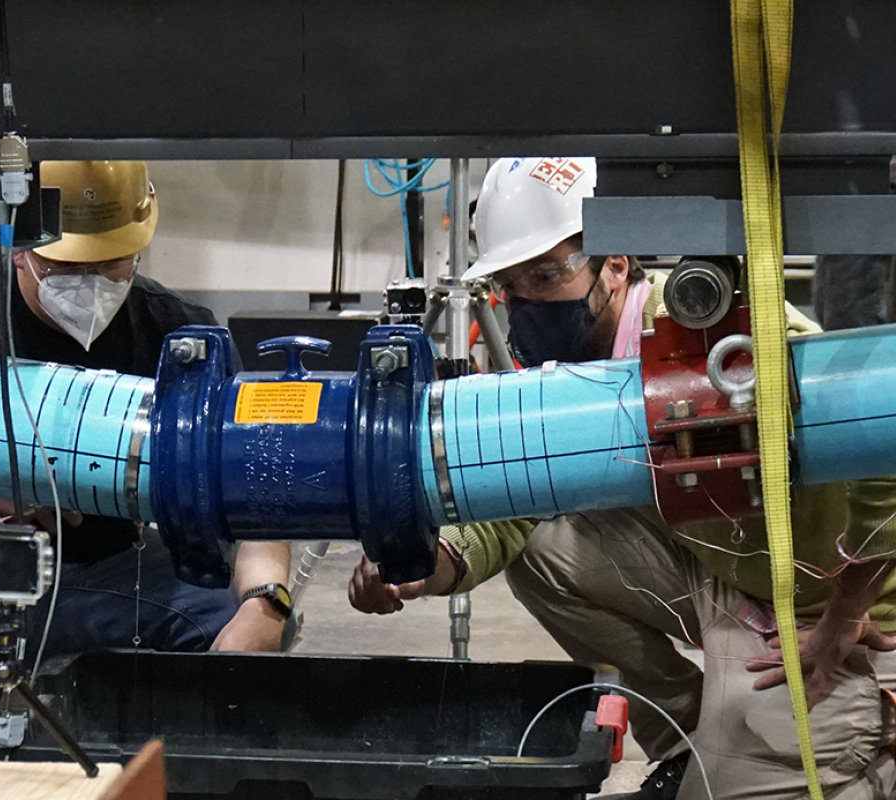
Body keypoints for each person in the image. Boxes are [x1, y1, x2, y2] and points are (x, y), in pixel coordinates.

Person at [349, 157, 896, 800]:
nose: (526, 303)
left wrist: (845, 615)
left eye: (547, 274)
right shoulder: (569, 365)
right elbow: (520, 490)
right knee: (545, 553)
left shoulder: (721, 333)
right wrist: (429, 562)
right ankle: (683, 736)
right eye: (509, 285)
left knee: (747, 785)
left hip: (831, 603)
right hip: (731, 573)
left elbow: (881, 446)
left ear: (614, 263)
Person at [0, 161, 293, 798]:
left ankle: (168, 772)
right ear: (21, 248)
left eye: (109, 264)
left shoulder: (182, 337)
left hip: (106, 574)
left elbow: (252, 492)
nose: (87, 284)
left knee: (236, 619)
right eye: (64, 266)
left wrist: (266, 604)